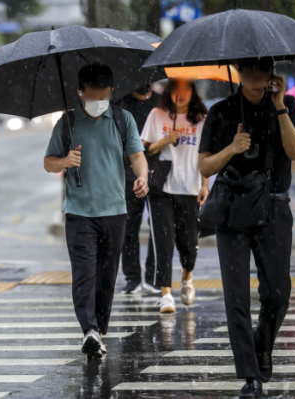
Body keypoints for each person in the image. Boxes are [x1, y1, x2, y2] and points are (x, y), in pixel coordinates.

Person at [199, 58, 295, 395]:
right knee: (236, 296)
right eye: (249, 73)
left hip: (273, 206)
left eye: (262, 73)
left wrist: (279, 108)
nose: (256, 80)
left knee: (278, 293)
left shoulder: (286, 104)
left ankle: (263, 342)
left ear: (271, 73)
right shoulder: (222, 111)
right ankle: (250, 375)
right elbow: (204, 166)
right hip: (232, 209)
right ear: (238, 73)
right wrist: (231, 148)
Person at [44, 63, 149, 358]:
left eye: (103, 96)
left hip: (115, 210)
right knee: (84, 274)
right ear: (80, 93)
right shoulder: (67, 123)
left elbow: (137, 155)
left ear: (111, 92)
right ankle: (89, 328)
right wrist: (64, 161)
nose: (98, 102)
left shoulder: (122, 118)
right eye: (92, 96)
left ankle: (97, 331)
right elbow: (48, 162)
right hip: (79, 213)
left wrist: (142, 176)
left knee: (106, 276)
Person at [140, 78, 209, 313]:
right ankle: (166, 294)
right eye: (176, 90)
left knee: (189, 243)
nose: (181, 94)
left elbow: (205, 155)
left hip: (189, 188)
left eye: (185, 90)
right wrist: (165, 140)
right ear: (169, 93)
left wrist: (205, 184)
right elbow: (143, 149)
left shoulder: (201, 120)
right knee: (163, 240)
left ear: (192, 93)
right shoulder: (157, 115)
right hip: (161, 188)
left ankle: (187, 276)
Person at [114, 84, 160, 295]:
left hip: (160, 173)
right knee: (129, 228)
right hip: (128, 173)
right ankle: (132, 278)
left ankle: (153, 277)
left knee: (158, 227)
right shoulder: (120, 103)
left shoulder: (161, 102)